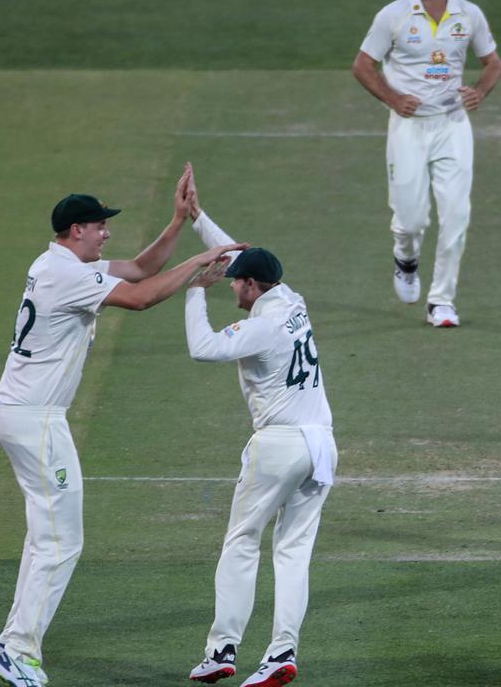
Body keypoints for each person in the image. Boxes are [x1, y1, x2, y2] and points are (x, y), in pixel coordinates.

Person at [0, 164, 244, 687]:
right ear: (76, 230)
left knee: (44, 539)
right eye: (100, 225)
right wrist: (200, 259)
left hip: (19, 415)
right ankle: (19, 651)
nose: (107, 231)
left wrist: (177, 222)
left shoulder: (56, 265)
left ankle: (14, 638)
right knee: (61, 543)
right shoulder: (66, 275)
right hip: (37, 421)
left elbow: (142, 269)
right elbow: (143, 298)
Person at [184, 178, 337, 687]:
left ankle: (222, 649)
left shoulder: (259, 327)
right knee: (292, 552)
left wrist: (193, 292)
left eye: (234, 282)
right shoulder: (291, 300)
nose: (231, 284)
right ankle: (281, 654)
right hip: (322, 445)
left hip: (279, 445)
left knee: (242, 542)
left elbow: (203, 347)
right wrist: (198, 218)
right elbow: (241, 256)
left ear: (251, 287)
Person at [352, 0, 501, 327]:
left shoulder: (469, 14)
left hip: (453, 126)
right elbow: (362, 66)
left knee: (456, 215)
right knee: (410, 220)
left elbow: (493, 63)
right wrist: (392, 98)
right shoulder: (393, 15)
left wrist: (479, 91)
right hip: (408, 128)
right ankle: (406, 259)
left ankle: (442, 301)